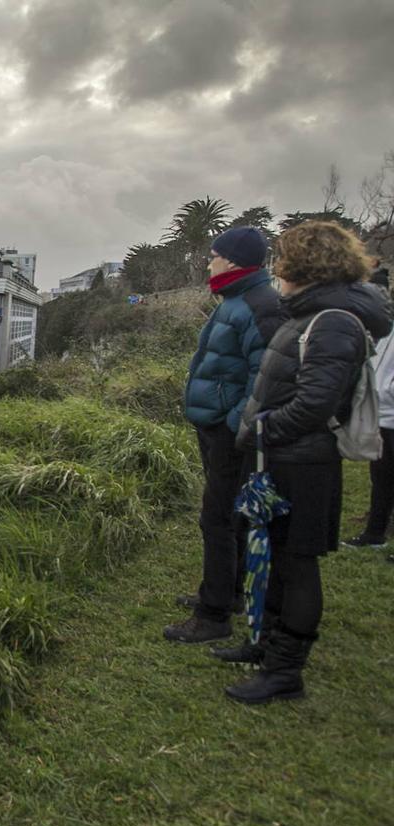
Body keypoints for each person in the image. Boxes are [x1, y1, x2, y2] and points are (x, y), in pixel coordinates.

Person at [217, 221, 393, 704]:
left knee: (297, 564)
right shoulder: (313, 312)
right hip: (284, 458)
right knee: (274, 557)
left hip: (304, 464)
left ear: (304, 264)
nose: (277, 267)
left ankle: (285, 671)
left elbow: (316, 403)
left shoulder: (332, 319)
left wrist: (263, 430)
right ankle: (266, 645)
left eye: (283, 259)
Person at [165, 226, 285, 643]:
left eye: (213, 255)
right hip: (218, 424)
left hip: (230, 431)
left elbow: (266, 375)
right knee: (229, 515)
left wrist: (234, 423)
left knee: (217, 518)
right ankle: (227, 593)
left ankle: (213, 615)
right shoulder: (236, 298)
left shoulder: (257, 303)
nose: (208, 261)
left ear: (232, 262)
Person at [341, 318, 394, 549]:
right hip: (382, 414)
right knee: (381, 477)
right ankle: (374, 533)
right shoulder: (388, 328)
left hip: (389, 408)